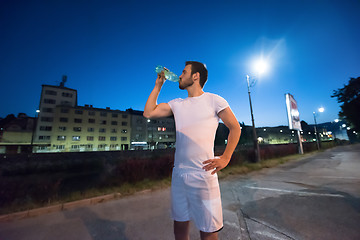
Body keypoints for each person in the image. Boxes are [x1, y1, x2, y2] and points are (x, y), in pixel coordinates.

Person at [143, 61, 241, 240]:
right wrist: (158, 86)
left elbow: (235, 128)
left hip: (203, 174)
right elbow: (149, 113)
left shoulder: (214, 100)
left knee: (208, 231)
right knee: (179, 229)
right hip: (179, 174)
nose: (179, 76)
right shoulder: (177, 103)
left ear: (195, 76)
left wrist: (226, 158)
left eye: (184, 72)